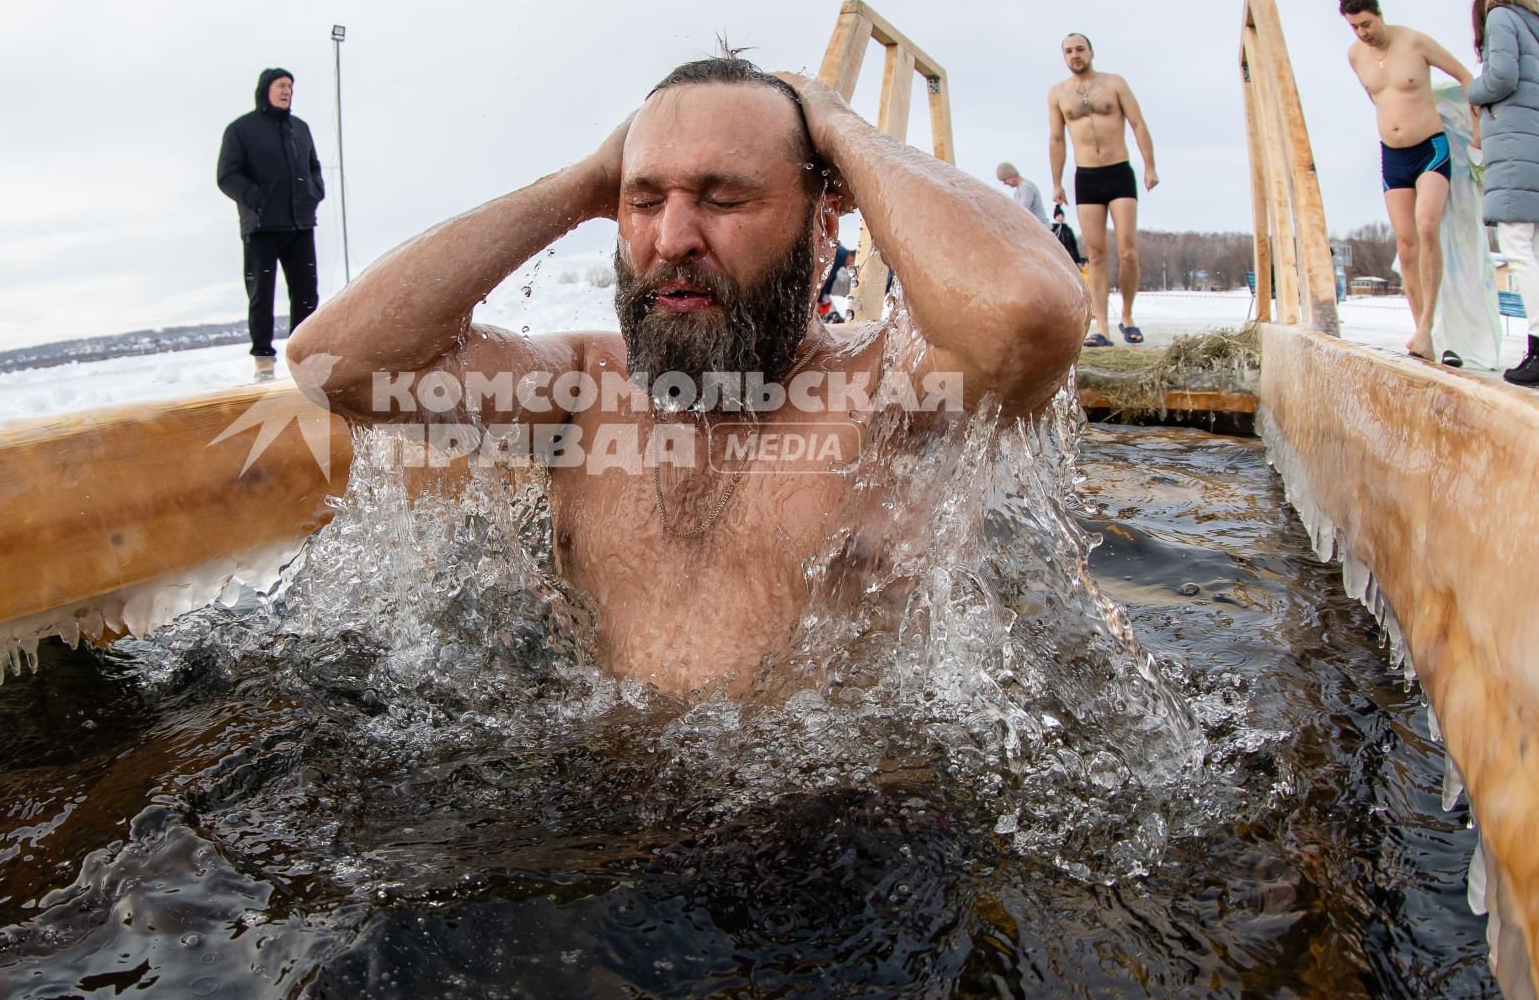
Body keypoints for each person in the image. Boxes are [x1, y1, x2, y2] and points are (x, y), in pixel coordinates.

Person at [287, 57, 1085, 694]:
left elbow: (1028, 313)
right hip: (597, 848)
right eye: (643, 200)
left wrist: (840, 130)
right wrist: (583, 183)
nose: (672, 237)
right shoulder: (580, 389)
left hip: (844, 851)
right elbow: (340, 363)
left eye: (723, 197)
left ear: (824, 224)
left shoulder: (890, 391)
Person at [1340, 0, 1477, 361]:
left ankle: (1428, 324)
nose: (1363, 33)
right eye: (1355, 27)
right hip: (1393, 157)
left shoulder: (1415, 43)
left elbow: (1466, 77)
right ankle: (1422, 336)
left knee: (1427, 227)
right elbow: (1378, 100)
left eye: (1366, 24)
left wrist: (1478, 130)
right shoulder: (1356, 56)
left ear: (1379, 13)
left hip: (1430, 149)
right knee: (1406, 244)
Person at [1047, 34, 1158, 346]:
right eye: (1068, 51)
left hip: (1119, 172)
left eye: (1080, 49)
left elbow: (1138, 123)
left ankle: (1127, 316)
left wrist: (1150, 165)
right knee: (1095, 254)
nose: (1075, 55)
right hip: (1086, 177)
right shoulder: (1058, 93)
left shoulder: (1114, 84)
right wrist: (1056, 182)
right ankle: (1103, 328)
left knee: (1127, 250)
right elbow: (1056, 138)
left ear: (1092, 51)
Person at [218, 67, 325, 378]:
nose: (286, 91)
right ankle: (263, 358)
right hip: (261, 228)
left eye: (290, 86)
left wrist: (314, 192)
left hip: (300, 225)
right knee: (261, 294)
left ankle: (303, 357)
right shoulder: (241, 130)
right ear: (265, 89)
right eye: (280, 85)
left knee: (306, 294)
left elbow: (314, 167)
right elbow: (227, 175)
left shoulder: (300, 129)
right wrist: (256, 198)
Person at [1464, 0, 1539, 387]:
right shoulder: (1532, 22)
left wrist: (1473, 91)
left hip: (1515, 146)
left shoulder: (1499, 17)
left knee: (1517, 246)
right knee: (1534, 247)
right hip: (1533, 144)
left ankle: (1537, 344)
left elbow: (1503, 78)